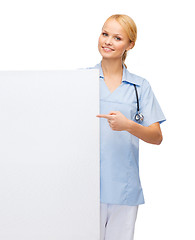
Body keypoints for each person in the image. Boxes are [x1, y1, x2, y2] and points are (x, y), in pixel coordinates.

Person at [91, 14, 166, 240]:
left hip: (123, 189)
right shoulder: (82, 80)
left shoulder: (139, 87)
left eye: (117, 38)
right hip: (84, 186)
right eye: (105, 34)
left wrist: (128, 125)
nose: (108, 41)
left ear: (130, 44)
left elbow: (156, 137)